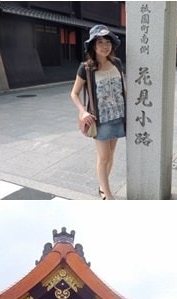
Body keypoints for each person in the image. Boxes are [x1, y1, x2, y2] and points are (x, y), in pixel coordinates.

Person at [70, 25, 126, 200]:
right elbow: (74, 93)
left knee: (111, 156)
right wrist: (83, 112)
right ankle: (108, 195)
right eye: (100, 42)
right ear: (93, 46)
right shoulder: (86, 68)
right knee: (103, 157)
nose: (105, 46)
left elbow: (124, 87)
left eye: (108, 42)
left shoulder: (116, 63)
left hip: (119, 116)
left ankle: (103, 187)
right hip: (100, 120)